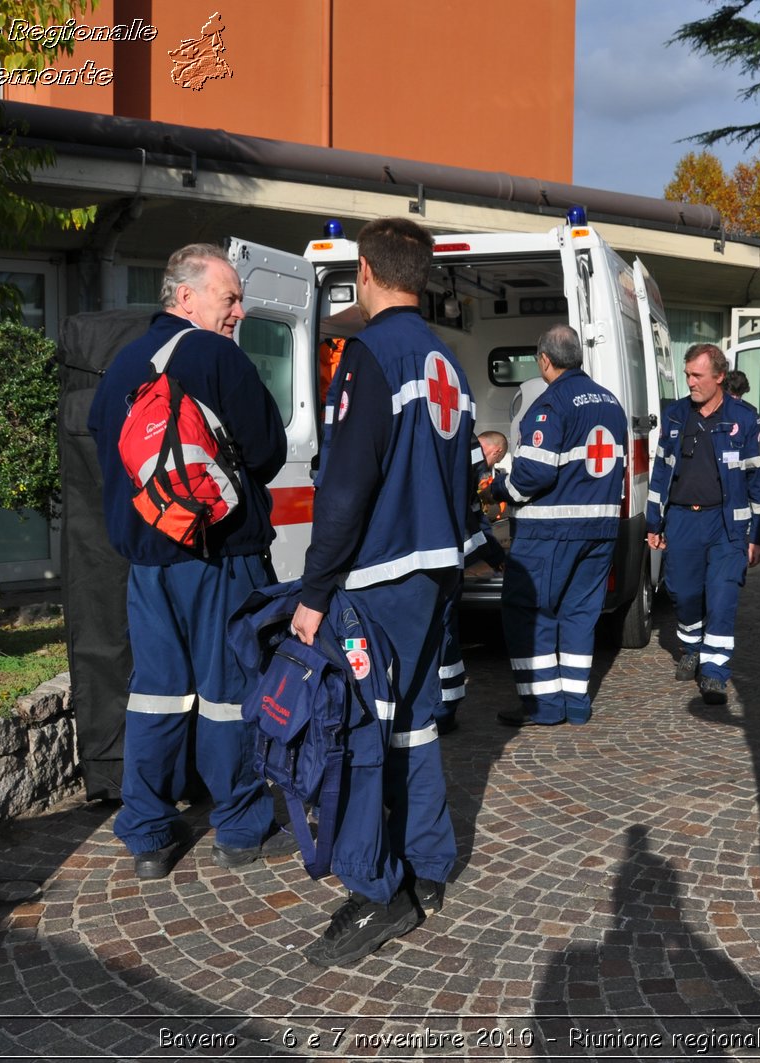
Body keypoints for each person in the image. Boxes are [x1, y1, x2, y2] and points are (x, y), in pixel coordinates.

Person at [289, 217, 475, 967]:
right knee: (416, 721)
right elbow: (461, 478)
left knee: (366, 728)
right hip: (433, 570)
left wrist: (313, 589)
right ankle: (428, 864)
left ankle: (377, 883)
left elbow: (344, 487)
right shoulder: (445, 361)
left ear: (365, 273)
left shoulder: (368, 354)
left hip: (379, 574)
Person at [87, 242, 290, 880]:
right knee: (230, 693)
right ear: (186, 297)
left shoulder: (123, 365)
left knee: (155, 695)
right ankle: (240, 828)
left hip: (148, 564)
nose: (239, 310)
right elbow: (266, 451)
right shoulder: (213, 355)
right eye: (229, 297)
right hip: (220, 556)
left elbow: (105, 444)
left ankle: (146, 833)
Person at [489, 323, 626, 727]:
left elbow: (533, 475)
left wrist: (500, 489)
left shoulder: (551, 404)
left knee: (529, 610)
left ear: (544, 360)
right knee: (580, 615)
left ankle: (544, 705)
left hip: (551, 532)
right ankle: (577, 703)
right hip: (600, 531)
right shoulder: (610, 402)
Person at [645, 343, 760, 706]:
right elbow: (659, 473)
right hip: (682, 520)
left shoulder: (744, 419)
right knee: (684, 593)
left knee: (722, 594)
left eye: (697, 376)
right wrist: (654, 523)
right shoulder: (674, 416)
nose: (690, 382)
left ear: (719, 377)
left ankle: (715, 672)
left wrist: (758, 536)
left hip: (726, 523)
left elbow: (759, 481)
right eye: (687, 375)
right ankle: (691, 648)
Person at [436, 430, 510, 736]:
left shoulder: (450, 444)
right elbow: (476, 519)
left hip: (421, 558)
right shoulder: (475, 462)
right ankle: (445, 710)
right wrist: (497, 558)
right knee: (445, 633)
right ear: (492, 452)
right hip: (447, 563)